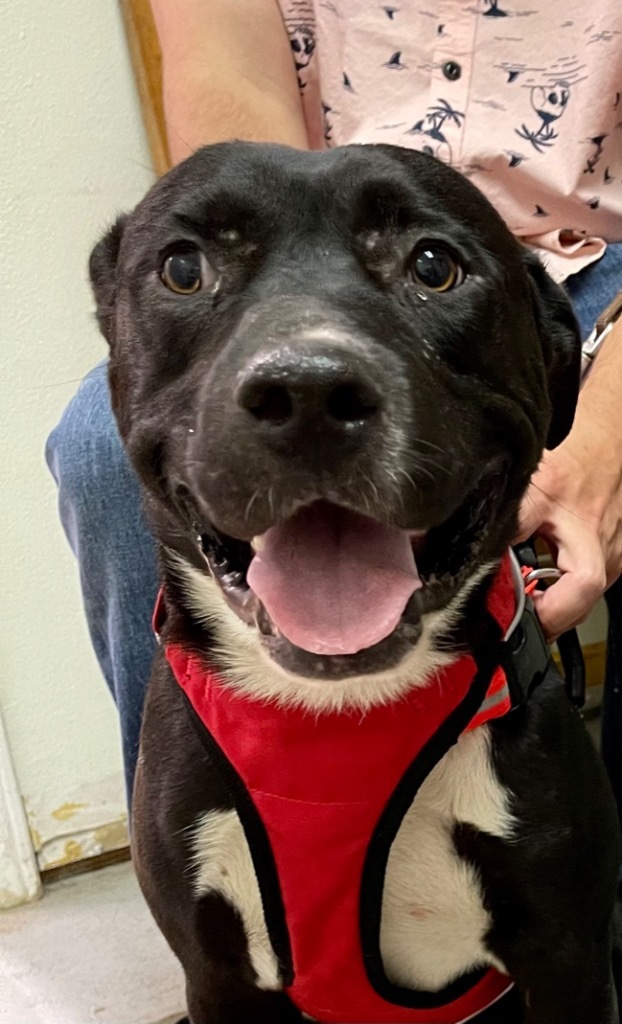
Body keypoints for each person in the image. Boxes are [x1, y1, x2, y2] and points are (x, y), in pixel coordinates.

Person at [46, 0, 622, 815]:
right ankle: (206, 838)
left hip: (598, 263)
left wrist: (602, 442)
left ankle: (567, 853)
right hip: (303, 228)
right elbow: (235, 117)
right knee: (101, 455)